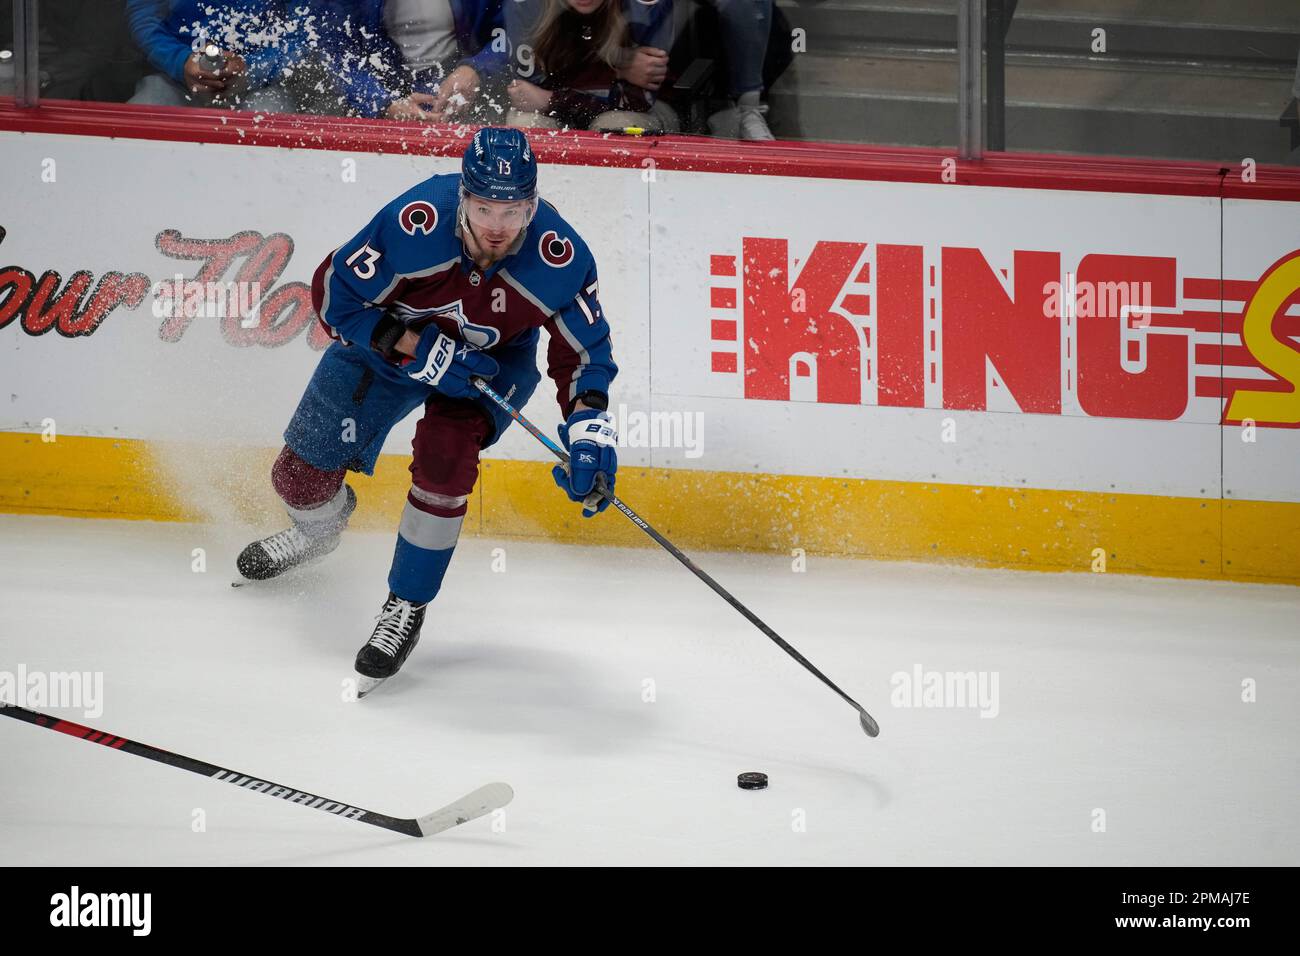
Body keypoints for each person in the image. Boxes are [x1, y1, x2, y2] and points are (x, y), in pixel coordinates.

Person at [236, 128, 619, 691]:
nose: (496, 226)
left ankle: (405, 606)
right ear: (462, 196)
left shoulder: (560, 259)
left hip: (491, 367)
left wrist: (590, 432)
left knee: (445, 462)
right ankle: (319, 530)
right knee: (297, 477)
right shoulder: (413, 222)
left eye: (512, 211)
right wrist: (414, 347)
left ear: (532, 206)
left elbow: (585, 354)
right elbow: (333, 297)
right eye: (484, 207)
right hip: (389, 347)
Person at [305, 0, 510, 121]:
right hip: (382, 91)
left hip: (462, 90)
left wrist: (475, 69)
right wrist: (383, 103)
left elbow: (512, 34)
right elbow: (334, 48)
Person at [505, 0, 678, 133]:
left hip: (642, 111)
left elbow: (637, 101)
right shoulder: (529, 8)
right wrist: (615, 70)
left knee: (616, 126)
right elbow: (527, 93)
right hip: (564, 106)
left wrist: (551, 99)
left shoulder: (641, 7)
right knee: (526, 124)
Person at [125, 0, 300, 111]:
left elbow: (305, 30)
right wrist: (180, 61)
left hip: (260, 87)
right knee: (147, 107)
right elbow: (145, 17)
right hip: (176, 81)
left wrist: (252, 68)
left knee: (273, 117)